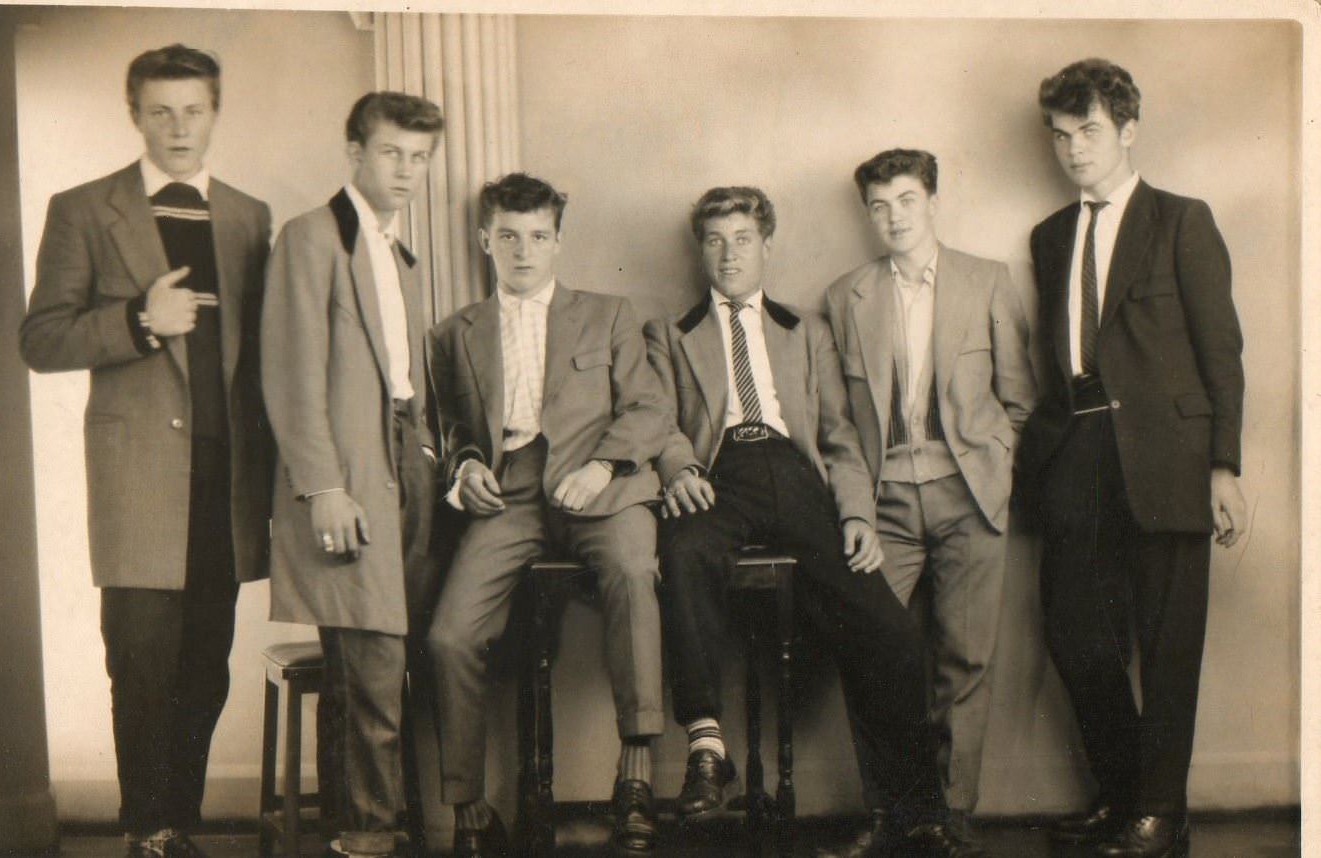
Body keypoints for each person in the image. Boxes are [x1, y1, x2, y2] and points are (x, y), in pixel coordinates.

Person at [646, 185, 984, 858]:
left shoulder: (805, 330)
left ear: (766, 246)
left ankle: (916, 812)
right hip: (719, 475)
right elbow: (659, 422)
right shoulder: (670, 333)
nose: (728, 254)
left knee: (885, 627)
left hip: (797, 479)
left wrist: (856, 515)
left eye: (742, 239)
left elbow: (838, 437)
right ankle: (707, 744)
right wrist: (679, 470)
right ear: (699, 251)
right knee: (680, 550)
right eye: (714, 241)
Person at [19, 44, 272, 858]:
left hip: (224, 479)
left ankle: (181, 830)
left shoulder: (246, 216)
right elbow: (41, 337)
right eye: (160, 111)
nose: (178, 128)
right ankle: (146, 829)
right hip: (137, 481)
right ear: (134, 114)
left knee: (205, 669)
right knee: (140, 665)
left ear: (215, 113)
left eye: (193, 110)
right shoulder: (85, 208)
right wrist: (136, 323)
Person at [1019, 58, 1246, 858]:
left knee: (1167, 641)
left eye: (1088, 131)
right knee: (1071, 628)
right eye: (1059, 135)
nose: (1073, 149)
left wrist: (1223, 467)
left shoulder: (1182, 220)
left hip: (1169, 459)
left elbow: (1222, 352)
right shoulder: (1049, 238)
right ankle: (1123, 797)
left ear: (1126, 131)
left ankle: (1159, 810)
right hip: (1076, 448)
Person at [426, 173, 669, 857]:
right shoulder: (453, 334)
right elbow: (451, 432)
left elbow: (649, 409)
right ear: (485, 241)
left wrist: (602, 467)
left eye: (537, 237)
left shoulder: (607, 313)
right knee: (450, 634)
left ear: (558, 242)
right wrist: (468, 467)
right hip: (511, 494)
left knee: (630, 570)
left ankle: (636, 777)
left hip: (602, 483)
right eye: (508, 236)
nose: (523, 252)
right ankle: (467, 805)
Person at [822, 149, 1036, 838]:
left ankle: (948, 815)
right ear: (867, 214)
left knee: (964, 657)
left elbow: (1020, 401)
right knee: (870, 651)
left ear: (932, 202)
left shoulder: (985, 281)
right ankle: (888, 811)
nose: (893, 217)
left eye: (906, 200)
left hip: (968, 495)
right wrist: (858, 507)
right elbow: (842, 429)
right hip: (884, 503)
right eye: (879, 206)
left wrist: (996, 470)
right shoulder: (845, 296)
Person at [261, 91, 443, 858]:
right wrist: (322, 486)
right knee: (371, 659)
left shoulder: (393, 248)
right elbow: (292, 373)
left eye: (419, 157)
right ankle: (370, 834)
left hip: (403, 458)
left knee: (383, 657)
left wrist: (427, 452)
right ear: (355, 153)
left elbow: (402, 375)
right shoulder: (311, 237)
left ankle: (356, 827)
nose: (406, 170)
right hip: (347, 470)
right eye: (392, 153)